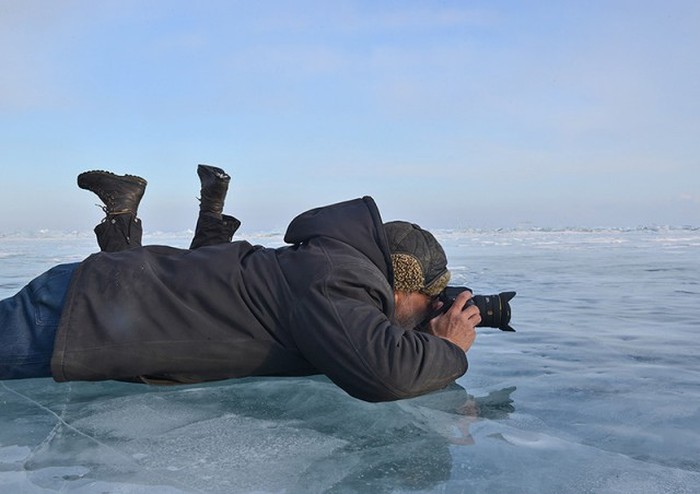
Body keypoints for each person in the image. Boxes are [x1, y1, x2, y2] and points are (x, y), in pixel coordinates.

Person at [0, 170, 481, 402]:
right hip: (75, 318)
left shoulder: (329, 267)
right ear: (401, 285)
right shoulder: (336, 279)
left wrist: (421, 336)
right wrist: (447, 346)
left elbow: (366, 341)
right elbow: (383, 373)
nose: (426, 311)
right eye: (425, 302)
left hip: (94, 303)